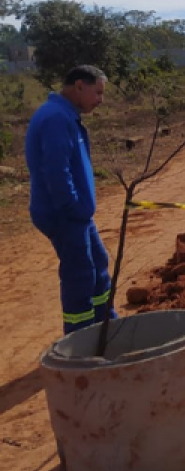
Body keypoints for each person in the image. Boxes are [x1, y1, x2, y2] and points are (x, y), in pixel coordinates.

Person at [25, 65, 119, 334]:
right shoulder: (56, 119)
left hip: (77, 214)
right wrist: (73, 207)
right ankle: (80, 340)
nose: (100, 100)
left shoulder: (66, 116)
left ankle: (107, 325)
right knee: (80, 274)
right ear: (79, 86)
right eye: (97, 93)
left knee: (98, 264)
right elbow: (56, 172)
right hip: (63, 213)